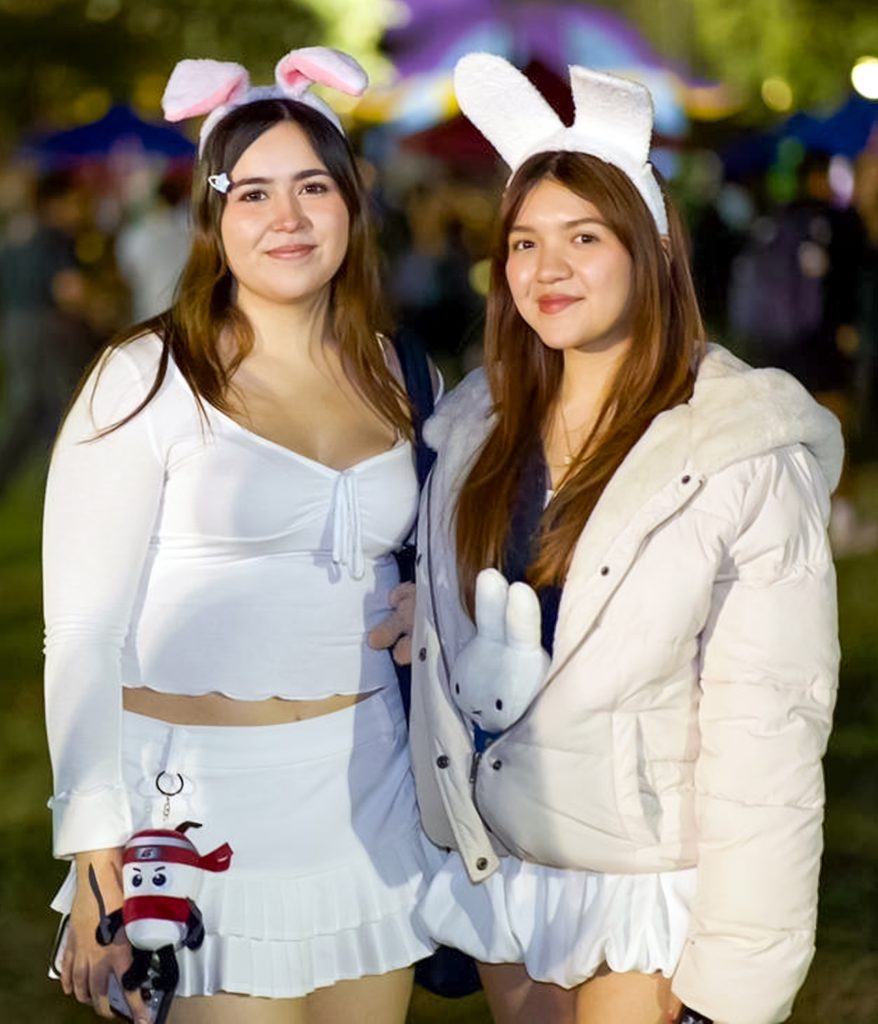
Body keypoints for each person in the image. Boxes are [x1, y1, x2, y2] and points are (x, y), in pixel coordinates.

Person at [409, 54, 842, 1024]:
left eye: (582, 236)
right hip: (505, 862)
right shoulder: (478, 425)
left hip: (645, 875)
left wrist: (735, 977)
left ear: (647, 247)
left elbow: (766, 726)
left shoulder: (733, 448)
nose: (545, 267)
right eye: (522, 241)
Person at [43, 47, 437, 1024]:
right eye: (252, 192)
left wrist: (433, 600)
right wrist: (97, 849)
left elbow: (431, 547)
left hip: (369, 793)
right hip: (198, 811)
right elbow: (83, 633)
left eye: (312, 185)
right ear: (213, 218)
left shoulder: (398, 371)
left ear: (353, 199)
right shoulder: (144, 378)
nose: (287, 218)